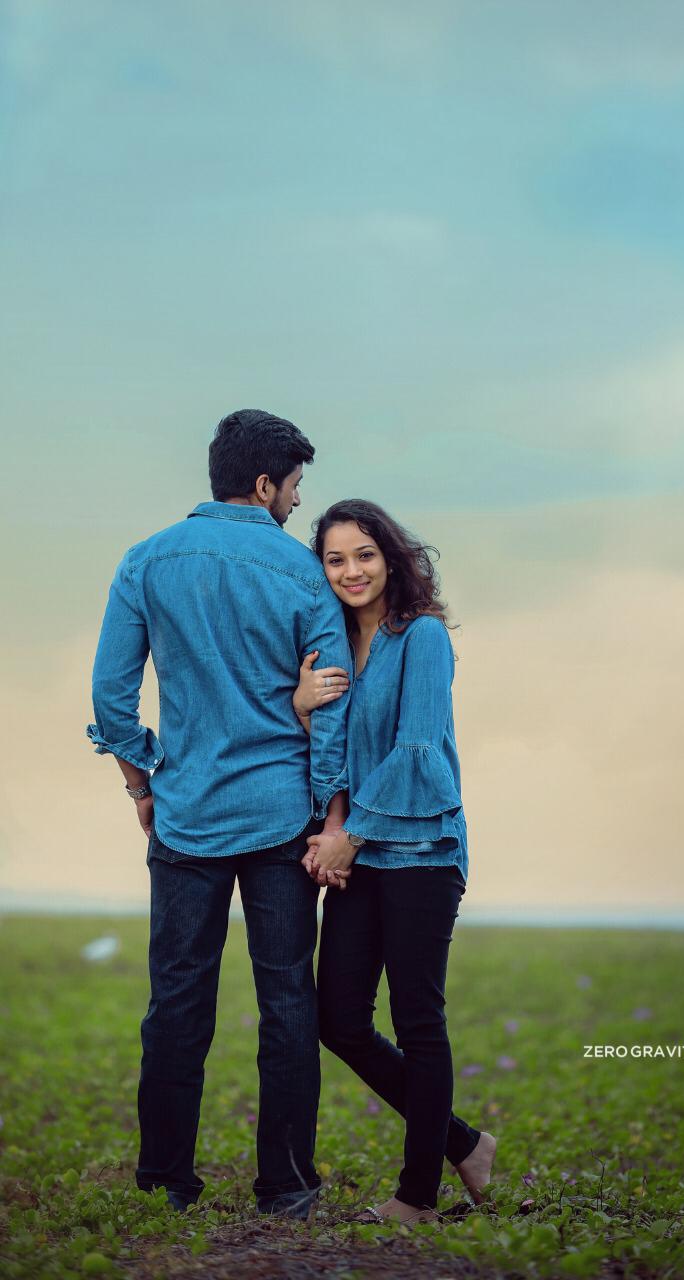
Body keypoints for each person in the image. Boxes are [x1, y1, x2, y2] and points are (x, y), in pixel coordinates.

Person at [86, 409, 351, 1218]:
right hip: (280, 815)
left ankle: (165, 1181)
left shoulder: (145, 560)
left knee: (175, 1003)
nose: (298, 504)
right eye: (295, 487)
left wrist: (144, 785)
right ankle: (287, 1187)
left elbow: (109, 696)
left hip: (186, 815)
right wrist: (322, 808)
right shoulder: (303, 573)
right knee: (286, 1003)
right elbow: (332, 702)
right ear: (265, 483)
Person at [293, 499, 497, 1223]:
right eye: (335, 558)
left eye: (364, 555)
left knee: (418, 1021)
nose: (351, 571)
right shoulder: (333, 643)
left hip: (421, 851)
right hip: (363, 850)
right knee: (340, 1019)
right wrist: (301, 709)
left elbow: (414, 750)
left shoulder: (424, 638)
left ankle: (417, 1196)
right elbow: (340, 756)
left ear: (391, 557)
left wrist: (354, 834)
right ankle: (465, 1145)